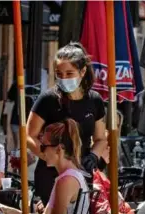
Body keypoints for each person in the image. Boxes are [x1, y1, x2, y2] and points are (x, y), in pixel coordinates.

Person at [27, 42, 107, 204]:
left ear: (82, 71)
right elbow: (29, 136)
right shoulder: (48, 100)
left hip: (82, 173)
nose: (64, 78)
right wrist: (50, 156)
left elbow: (101, 138)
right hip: (50, 173)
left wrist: (93, 156)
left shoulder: (95, 101)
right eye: (59, 74)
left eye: (69, 73)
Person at [0, 119, 90, 214]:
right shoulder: (68, 176)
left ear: (59, 149)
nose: (41, 152)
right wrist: (8, 211)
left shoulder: (67, 180)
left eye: (43, 146)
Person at [91, 142, 135, 214]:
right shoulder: (95, 177)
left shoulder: (100, 174)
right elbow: (104, 213)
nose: (110, 151)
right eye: (107, 148)